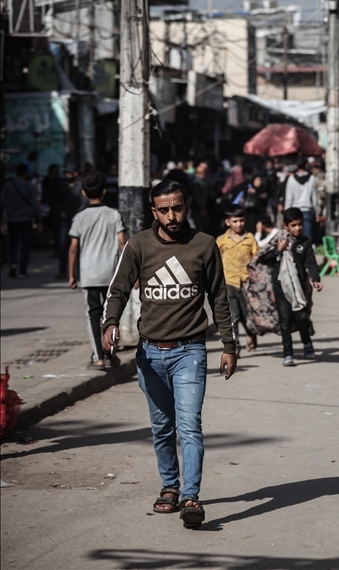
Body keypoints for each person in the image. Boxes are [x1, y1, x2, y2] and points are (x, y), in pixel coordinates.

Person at [101, 179, 236, 529]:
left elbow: (219, 297)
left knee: (189, 425)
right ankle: (169, 487)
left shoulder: (204, 245)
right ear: (154, 212)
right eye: (164, 210)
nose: (172, 215)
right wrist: (110, 323)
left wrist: (229, 345)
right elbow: (118, 289)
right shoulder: (139, 245)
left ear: (186, 206)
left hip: (190, 350)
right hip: (149, 354)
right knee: (162, 428)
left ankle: (191, 496)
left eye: (177, 207)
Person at [67, 172, 126, 370]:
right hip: (111, 274)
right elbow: (122, 243)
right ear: (104, 191)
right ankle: (110, 355)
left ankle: (99, 358)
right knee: (111, 315)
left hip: (90, 275)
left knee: (93, 314)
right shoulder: (114, 214)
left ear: (83, 193)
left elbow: (73, 247)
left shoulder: (80, 218)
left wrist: (71, 275)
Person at [257, 207, 322, 366]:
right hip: (280, 287)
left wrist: (315, 278)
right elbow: (265, 259)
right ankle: (288, 354)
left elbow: (311, 262)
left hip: (299, 287)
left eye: (299, 224)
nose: (297, 228)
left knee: (301, 319)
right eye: (293, 225)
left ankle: (306, 343)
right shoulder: (277, 240)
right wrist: (279, 250)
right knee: (285, 321)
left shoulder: (305, 242)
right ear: (286, 226)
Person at [216, 206, 260, 353]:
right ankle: (235, 346)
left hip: (247, 283)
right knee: (233, 316)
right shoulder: (221, 240)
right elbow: (214, 259)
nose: (239, 224)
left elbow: (257, 258)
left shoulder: (250, 238)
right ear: (228, 222)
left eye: (241, 220)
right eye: (235, 221)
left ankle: (251, 334)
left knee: (247, 315)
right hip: (229, 282)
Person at [2, 163, 40, 278]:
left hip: (12, 219)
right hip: (25, 219)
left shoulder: (8, 185)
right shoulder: (28, 186)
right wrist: (39, 220)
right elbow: (35, 204)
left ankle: (13, 265)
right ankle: (22, 270)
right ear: (26, 174)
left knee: (12, 244)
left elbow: (1, 201)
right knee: (25, 246)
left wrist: (1, 217)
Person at [283, 159, 319, 240]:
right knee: (307, 236)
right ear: (306, 165)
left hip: (294, 211)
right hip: (307, 210)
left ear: (296, 166)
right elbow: (314, 197)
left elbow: (289, 198)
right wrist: (317, 211)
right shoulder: (311, 178)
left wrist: (286, 213)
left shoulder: (291, 179)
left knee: (293, 236)